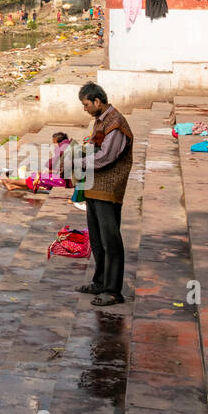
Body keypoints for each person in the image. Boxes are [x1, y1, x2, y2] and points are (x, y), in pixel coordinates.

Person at [77, 82, 134, 306]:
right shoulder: (100, 121)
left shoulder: (116, 123)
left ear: (97, 101)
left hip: (109, 188)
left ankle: (113, 290)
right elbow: (95, 147)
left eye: (86, 104)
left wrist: (79, 163)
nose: (85, 109)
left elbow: (106, 156)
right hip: (94, 186)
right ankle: (100, 282)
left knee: (111, 240)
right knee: (97, 239)